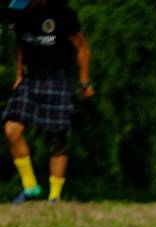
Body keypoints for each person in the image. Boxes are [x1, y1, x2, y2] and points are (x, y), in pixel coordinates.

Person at [2, 0, 94, 204]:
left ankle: (54, 197)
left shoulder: (63, 14)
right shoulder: (20, 15)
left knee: (57, 138)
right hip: (31, 78)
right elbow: (21, 45)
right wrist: (18, 74)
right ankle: (30, 186)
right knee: (11, 129)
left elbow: (82, 47)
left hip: (57, 78)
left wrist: (85, 82)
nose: (24, 7)